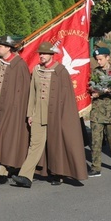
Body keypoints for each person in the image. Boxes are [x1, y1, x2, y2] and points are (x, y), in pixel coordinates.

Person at [12, 43, 87, 188]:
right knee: (35, 145)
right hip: (38, 115)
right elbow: (32, 94)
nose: (41, 56)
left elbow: (66, 97)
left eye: (44, 53)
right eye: (40, 53)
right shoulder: (36, 70)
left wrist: (64, 117)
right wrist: (30, 114)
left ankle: (58, 174)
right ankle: (25, 176)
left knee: (56, 146)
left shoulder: (60, 71)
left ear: (51, 55)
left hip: (55, 116)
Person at [0, 35, 31, 185]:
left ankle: (8, 170)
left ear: (8, 48)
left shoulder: (19, 65)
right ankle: (3, 171)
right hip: (0, 109)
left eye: (0, 46)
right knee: (2, 139)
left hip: (14, 110)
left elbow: (25, 89)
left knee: (13, 139)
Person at [87, 47, 111, 177]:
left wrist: (103, 92)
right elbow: (90, 86)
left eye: (101, 59)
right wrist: (93, 91)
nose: (99, 62)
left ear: (108, 57)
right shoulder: (95, 72)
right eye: (97, 60)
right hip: (97, 111)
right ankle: (96, 167)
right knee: (95, 140)